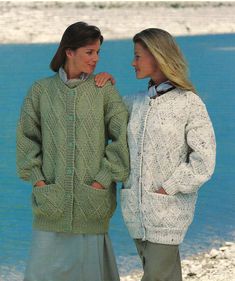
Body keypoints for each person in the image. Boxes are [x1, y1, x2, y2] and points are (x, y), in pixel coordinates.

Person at [99, 28, 216, 281]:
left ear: (158, 56)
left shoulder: (189, 102)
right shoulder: (133, 102)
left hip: (168, 210)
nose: (133, 62)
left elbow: (204, 159)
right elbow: (102, 118)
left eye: (138, 56)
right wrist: (104, 86)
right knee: (166, 276)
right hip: (136, 212)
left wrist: (170, 187)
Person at [16, 21, 129, 281]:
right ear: (69, 52)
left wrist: (103, 180)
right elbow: (26, 139)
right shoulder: (40, 90)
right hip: (50, 202)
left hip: (92, 201)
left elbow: (122, 138)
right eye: (89, 52)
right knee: (40, 274)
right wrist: (38, 180)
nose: (96, 59)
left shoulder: (104, 91)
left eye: (98, 52)